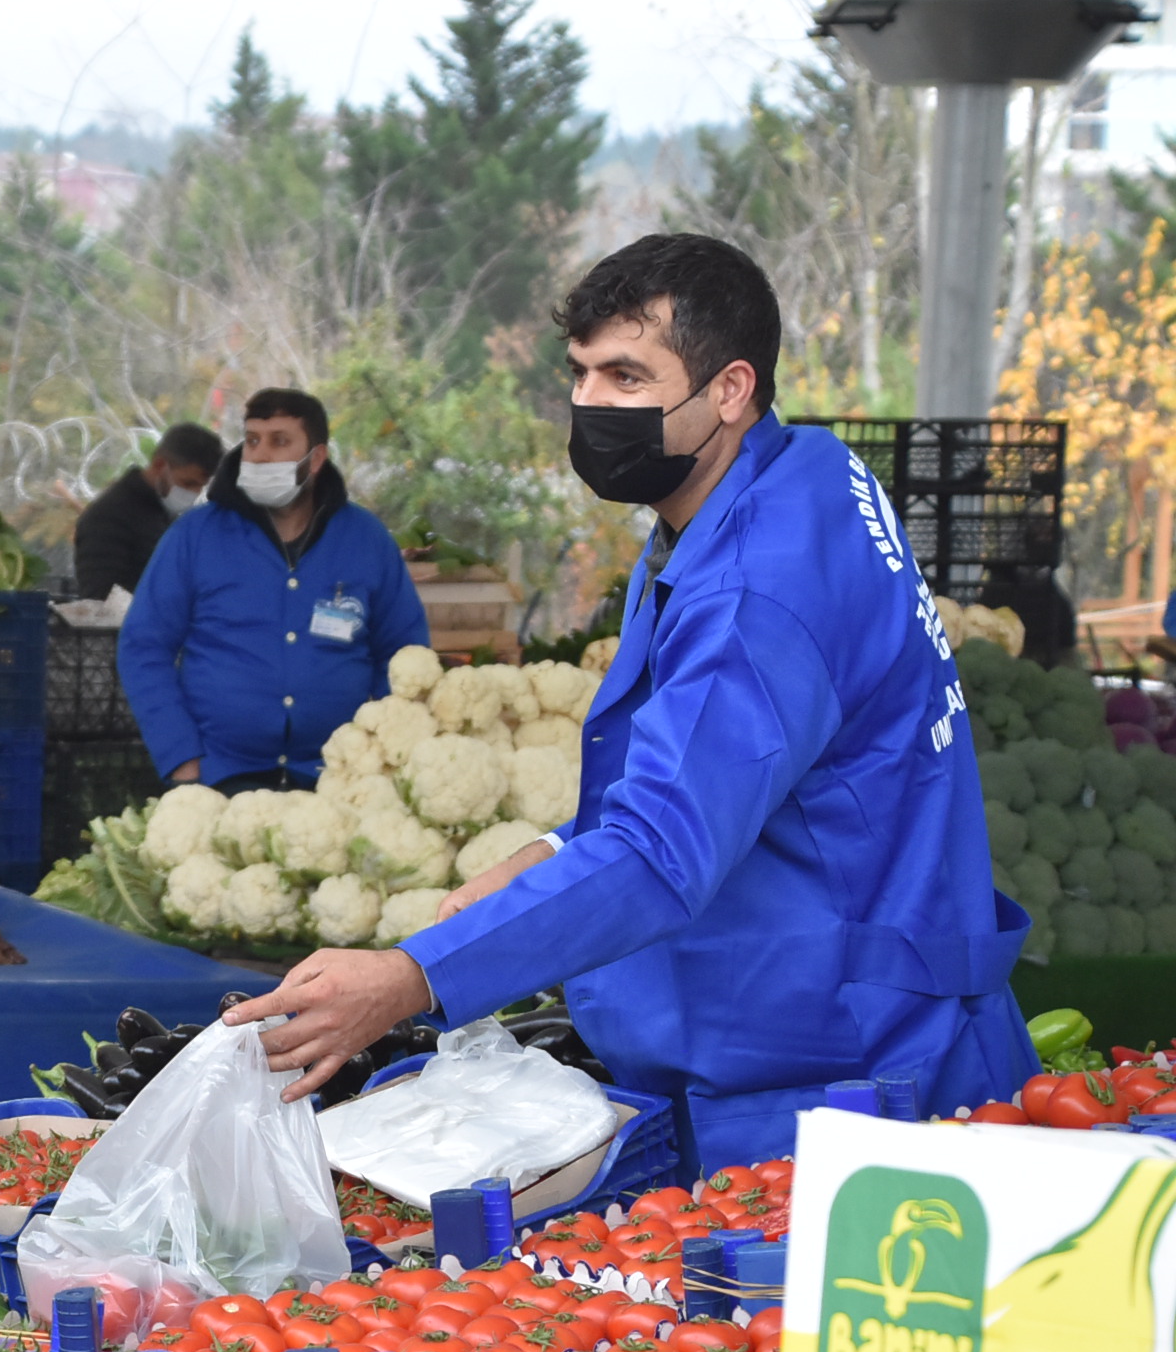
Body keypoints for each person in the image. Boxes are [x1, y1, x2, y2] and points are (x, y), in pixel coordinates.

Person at [235, 233, 1033, 1165]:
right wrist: (549, 851)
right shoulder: (795, 476)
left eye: (627, 377)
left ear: (730, 389)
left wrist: (413, 976)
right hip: (840, 1022)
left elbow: (661, 852)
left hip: (848, 1075)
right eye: (580, 374)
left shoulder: (754, 590)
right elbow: (729, 769)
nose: (591, 405)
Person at [115, 388, 428, 792]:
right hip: (219, 776)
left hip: (338, 780)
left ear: (316, 458)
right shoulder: (195, 536)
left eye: (279, 441)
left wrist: (382, 754)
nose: (260, 455)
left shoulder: (366, 540)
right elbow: (143, 647)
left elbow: (404, 655)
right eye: (252, 440)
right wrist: (181, 758)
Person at [74, 421, 221, 601]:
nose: (194, 493)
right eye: (188, 483)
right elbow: (101, 598)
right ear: (159, 465)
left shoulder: (163, 512)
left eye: (200, 486)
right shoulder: (108, 517)